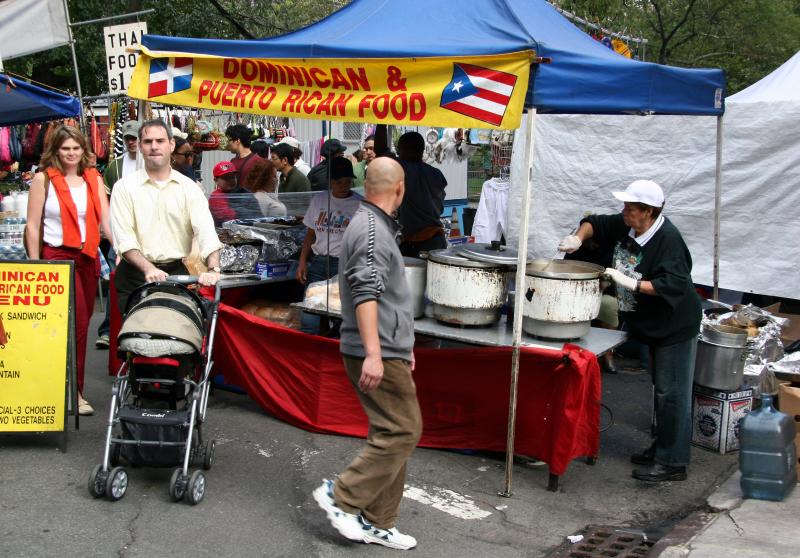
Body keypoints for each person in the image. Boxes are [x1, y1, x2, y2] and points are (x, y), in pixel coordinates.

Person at [558, 179, 701, 483]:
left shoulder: (668, 239)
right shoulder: (628, 226)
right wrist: (577, 238)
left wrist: (630, 283)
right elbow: (594, 223)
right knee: (660, 390)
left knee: (671, 393)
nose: (624, 212)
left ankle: (673, 461)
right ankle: (662, 447)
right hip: (647, 324)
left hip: (674, 325)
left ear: (648, 211)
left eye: (630, 208)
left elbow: (673, 284)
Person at [312, 157, 420, 551]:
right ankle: (341, 496)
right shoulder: (372, 229)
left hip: (387, 347)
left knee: (393, 434)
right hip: (374, 349)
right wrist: (376, 353)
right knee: (403, 430)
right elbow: (365, 292)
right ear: (400, 188)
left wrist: (400, 347)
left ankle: (378, 521)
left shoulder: (372, 223)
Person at [24, 125, 112, 416]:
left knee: (81, 324)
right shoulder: (43, 179)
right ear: (56, 151)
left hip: (86, 257)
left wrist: (121, 251)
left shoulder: (93, 178)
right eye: (65, 149)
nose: (71, 153)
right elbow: (33, 226)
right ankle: (71, 392)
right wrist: (36, 265)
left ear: (83, 149)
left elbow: (106, 222)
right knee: (72, 327)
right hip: (56, 257)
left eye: (76, 148)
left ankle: (68, 389)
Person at [110, 119, 223, 315]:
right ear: (140, 146)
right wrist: (148, 269)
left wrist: (213, 269)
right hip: (135, 276)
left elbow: (206, 231)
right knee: (138, 339)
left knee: (180, 336)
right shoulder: (124, 188)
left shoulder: (189, 188)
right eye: (148, 141)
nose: (154, 147)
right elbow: (124, 240)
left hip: (176, 273)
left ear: (171, 145)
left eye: (160, 141)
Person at [297, 157, 363, 334]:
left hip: (345, 265)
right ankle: (308, 354)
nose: (344, 186)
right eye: (339, 182)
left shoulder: (360, 204)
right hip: (318, 263)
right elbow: (310, 234)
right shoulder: (319, 200)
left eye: (348, 182)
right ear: (330, 182)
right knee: (309, 316)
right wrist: (303, 261)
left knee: (342, 316)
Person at [395, 131, 448, 257]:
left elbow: (381, 152)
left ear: (405, 150)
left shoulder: (405, 169)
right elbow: (440, 208)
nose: (398, 154)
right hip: (434, 239)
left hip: (423, 243)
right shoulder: (436, 173)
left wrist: (381, 122)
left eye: (399, 150)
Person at [208, 161, 263, 226]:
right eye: (226, 178)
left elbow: (259, 216)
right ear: (216, 180)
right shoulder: (216, 197)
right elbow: (229, 218)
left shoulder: (244, 193)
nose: (230, 180)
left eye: (233, 177)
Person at [103, 120, 139, 195]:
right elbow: (107, 195)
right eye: (127, 138)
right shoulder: (114, 166)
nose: (130, 142)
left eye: (134, 138)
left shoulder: (151, 163)